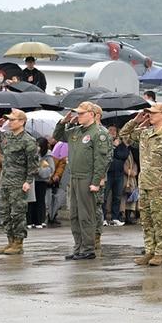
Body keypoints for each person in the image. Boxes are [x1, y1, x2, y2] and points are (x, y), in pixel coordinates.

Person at [119, 104, 162, 267]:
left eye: (153, 113)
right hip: (145, 182)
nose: (150, 115)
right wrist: (135, 121)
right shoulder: (146, 132)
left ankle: (160, 253)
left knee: (160, 220)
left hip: (160, 184)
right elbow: (124, 136)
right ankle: (149, 250)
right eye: (149, 113)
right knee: (146, 220)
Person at [52, 103, 112, 260]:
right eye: (77, 113)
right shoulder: (76, 131)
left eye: (82, 113)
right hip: (74, 177)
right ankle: (78, 247)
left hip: (87, 178)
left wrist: (96, 181)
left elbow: (101, 160)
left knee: (86, 215)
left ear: (91, 114)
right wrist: (63, 123)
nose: (78, 116)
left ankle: (88, 248)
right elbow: (58, 136)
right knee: (74, 215)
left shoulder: (98, 133)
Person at [0, 110, 40, 256]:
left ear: (22, 122)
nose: (10, 122)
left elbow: (33, 164)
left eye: (13, 120)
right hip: (6, 181)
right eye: (9, 120)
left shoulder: (28, 141)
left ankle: (18, 243)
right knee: (4, 212)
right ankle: (10, 240)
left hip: (18, 182)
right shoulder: (7, 136)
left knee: (18, 213)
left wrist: (28, 181)